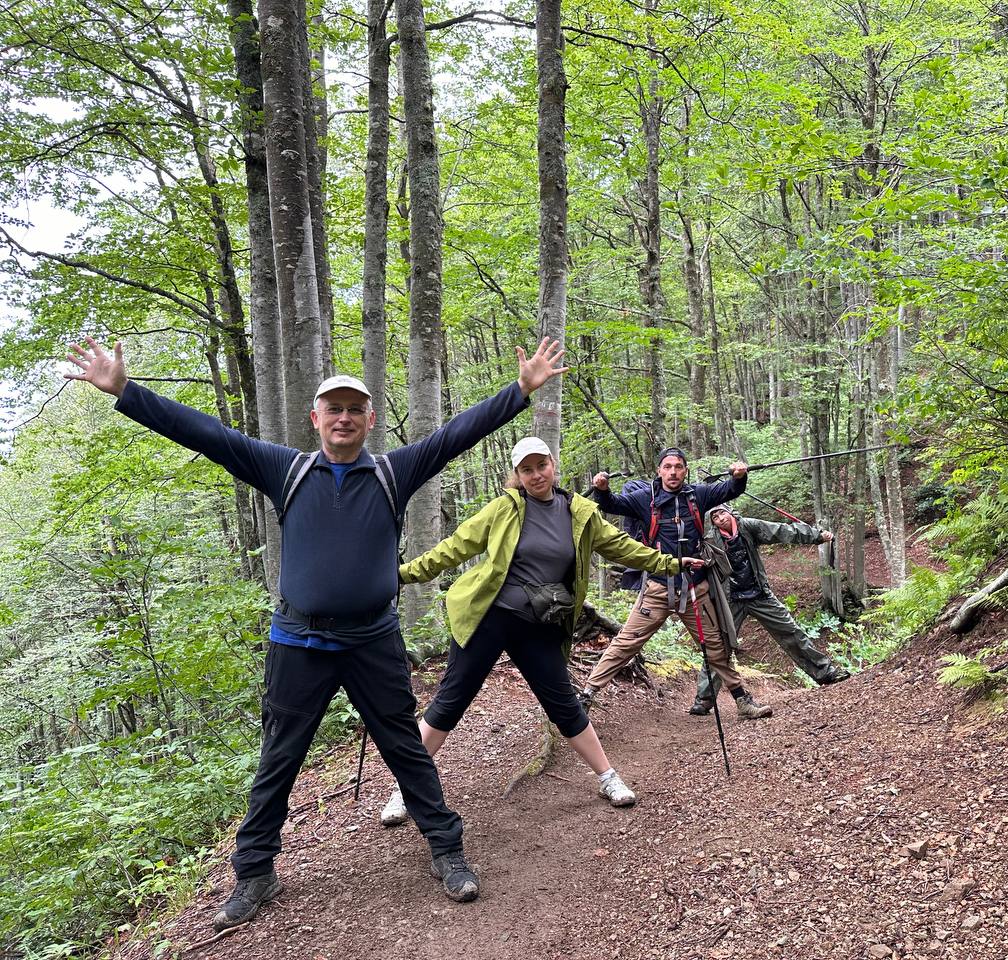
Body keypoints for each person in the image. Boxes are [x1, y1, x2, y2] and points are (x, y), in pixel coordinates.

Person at [64, 335, 566, 930]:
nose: (345, 418)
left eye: (356, 409)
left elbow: (454, 435)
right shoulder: (286, 470)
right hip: (298, 641)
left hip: (373, 640)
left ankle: (446, 850)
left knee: (405, 747)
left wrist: (521, 390)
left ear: (370, 419)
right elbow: (205, 433)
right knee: (280, 755)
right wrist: (124, 390)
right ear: (317, 418)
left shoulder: (392, 472)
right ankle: (255, 873)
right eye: (335, 408)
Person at [380, 436, 705, 826]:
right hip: (490, 618)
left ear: (553, 465)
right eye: (526, 469)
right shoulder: (503, 509)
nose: (536, 475)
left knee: (563, 704)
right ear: (517, 475)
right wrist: (400, 576)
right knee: (450, 702)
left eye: (541, 466)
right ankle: (404, 788)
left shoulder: (579, 512)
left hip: (540, 624)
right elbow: (453, 548)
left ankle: (608, 777)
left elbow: (621, 546)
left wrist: (671, 563)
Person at [578, 447, 773, 719]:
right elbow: (612, 504)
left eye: (678, 467)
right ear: (659, 470)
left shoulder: (698, 495)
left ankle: (742, 700)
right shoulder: (644, 499)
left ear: (686, 470)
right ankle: (586, 695)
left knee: (715, 647)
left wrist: (739, 477)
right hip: (657, 589)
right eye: (667, 466)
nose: (673, 472)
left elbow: (729, 490)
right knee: (626, 644)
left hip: (695, 589)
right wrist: (601, 489)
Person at [689, 504, 851, 715]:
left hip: (760, 594)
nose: (720, 518)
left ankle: (825, 673)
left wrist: (816, 535)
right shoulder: (710, 539)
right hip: (730, 601)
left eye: (722, 513)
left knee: (791, 632)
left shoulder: (748, 526)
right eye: (714, 517)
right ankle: (704, 699)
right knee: (719, 647)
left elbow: (781, 530)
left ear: (730, 512)